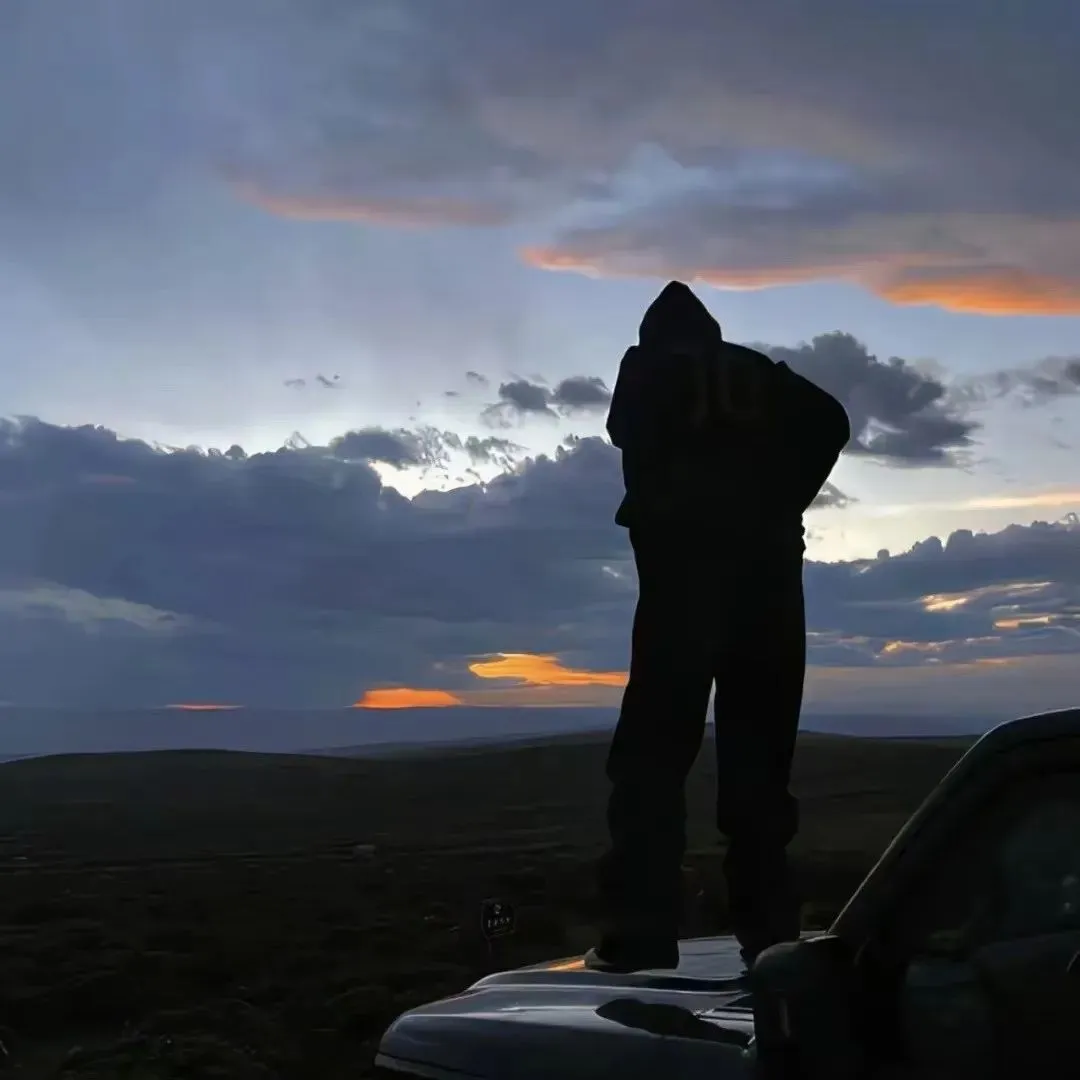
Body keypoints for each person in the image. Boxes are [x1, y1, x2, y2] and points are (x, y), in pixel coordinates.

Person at [585, 281, 851, 975]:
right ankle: (770, 932)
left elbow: (624, 429)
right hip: (771, 583)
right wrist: (783, 499)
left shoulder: (649, 367)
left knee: (651, 753)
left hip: (684, 579)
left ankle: (641, 929)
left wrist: (670, 491)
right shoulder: (759, 374)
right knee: (760, 759)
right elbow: (830, 419)